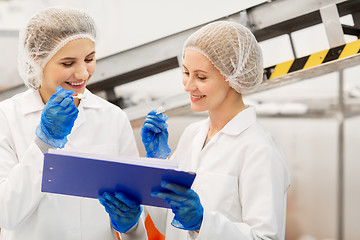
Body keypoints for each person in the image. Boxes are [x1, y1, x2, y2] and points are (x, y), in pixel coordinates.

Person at [99, 21, 290, 239]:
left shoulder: (260, 149)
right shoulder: (193, 134)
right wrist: (158, 164)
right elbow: (169, 225)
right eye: (186, 72)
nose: (188, 85)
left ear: (233, 76)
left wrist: (202, 223)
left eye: (201, 77)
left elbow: (267, 237)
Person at [0, 6, 139, 240]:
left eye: (89, 59)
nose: (83, 73)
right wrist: (43, 144)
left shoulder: (112, 117)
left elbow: (132, 214)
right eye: (67, 63)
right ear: (37, 59)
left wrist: (131, 224)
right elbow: (6, 213)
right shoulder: (6, 117)